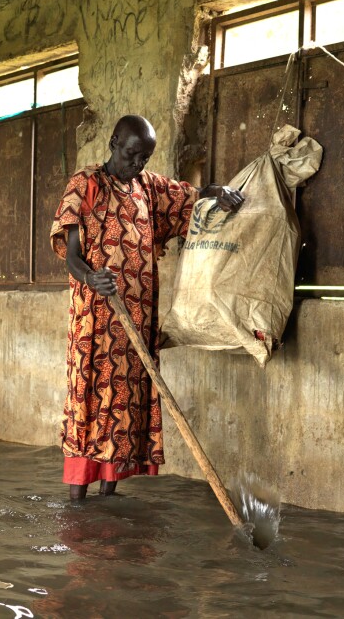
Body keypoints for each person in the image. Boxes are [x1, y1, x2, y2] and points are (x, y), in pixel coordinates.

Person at [50, 115, 244, 501]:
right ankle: (76, 505)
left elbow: (188, 197)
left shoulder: (147, 188)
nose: (136, 164)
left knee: (125, 403)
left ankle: (108, 495)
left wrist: (217, 192)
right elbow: (71, 256)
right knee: (91, 399)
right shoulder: (84, 186)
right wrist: (90, 278)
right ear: (114, 142)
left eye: (144, 158)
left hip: (136, 320)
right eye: (131, 155)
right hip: (96, 320)